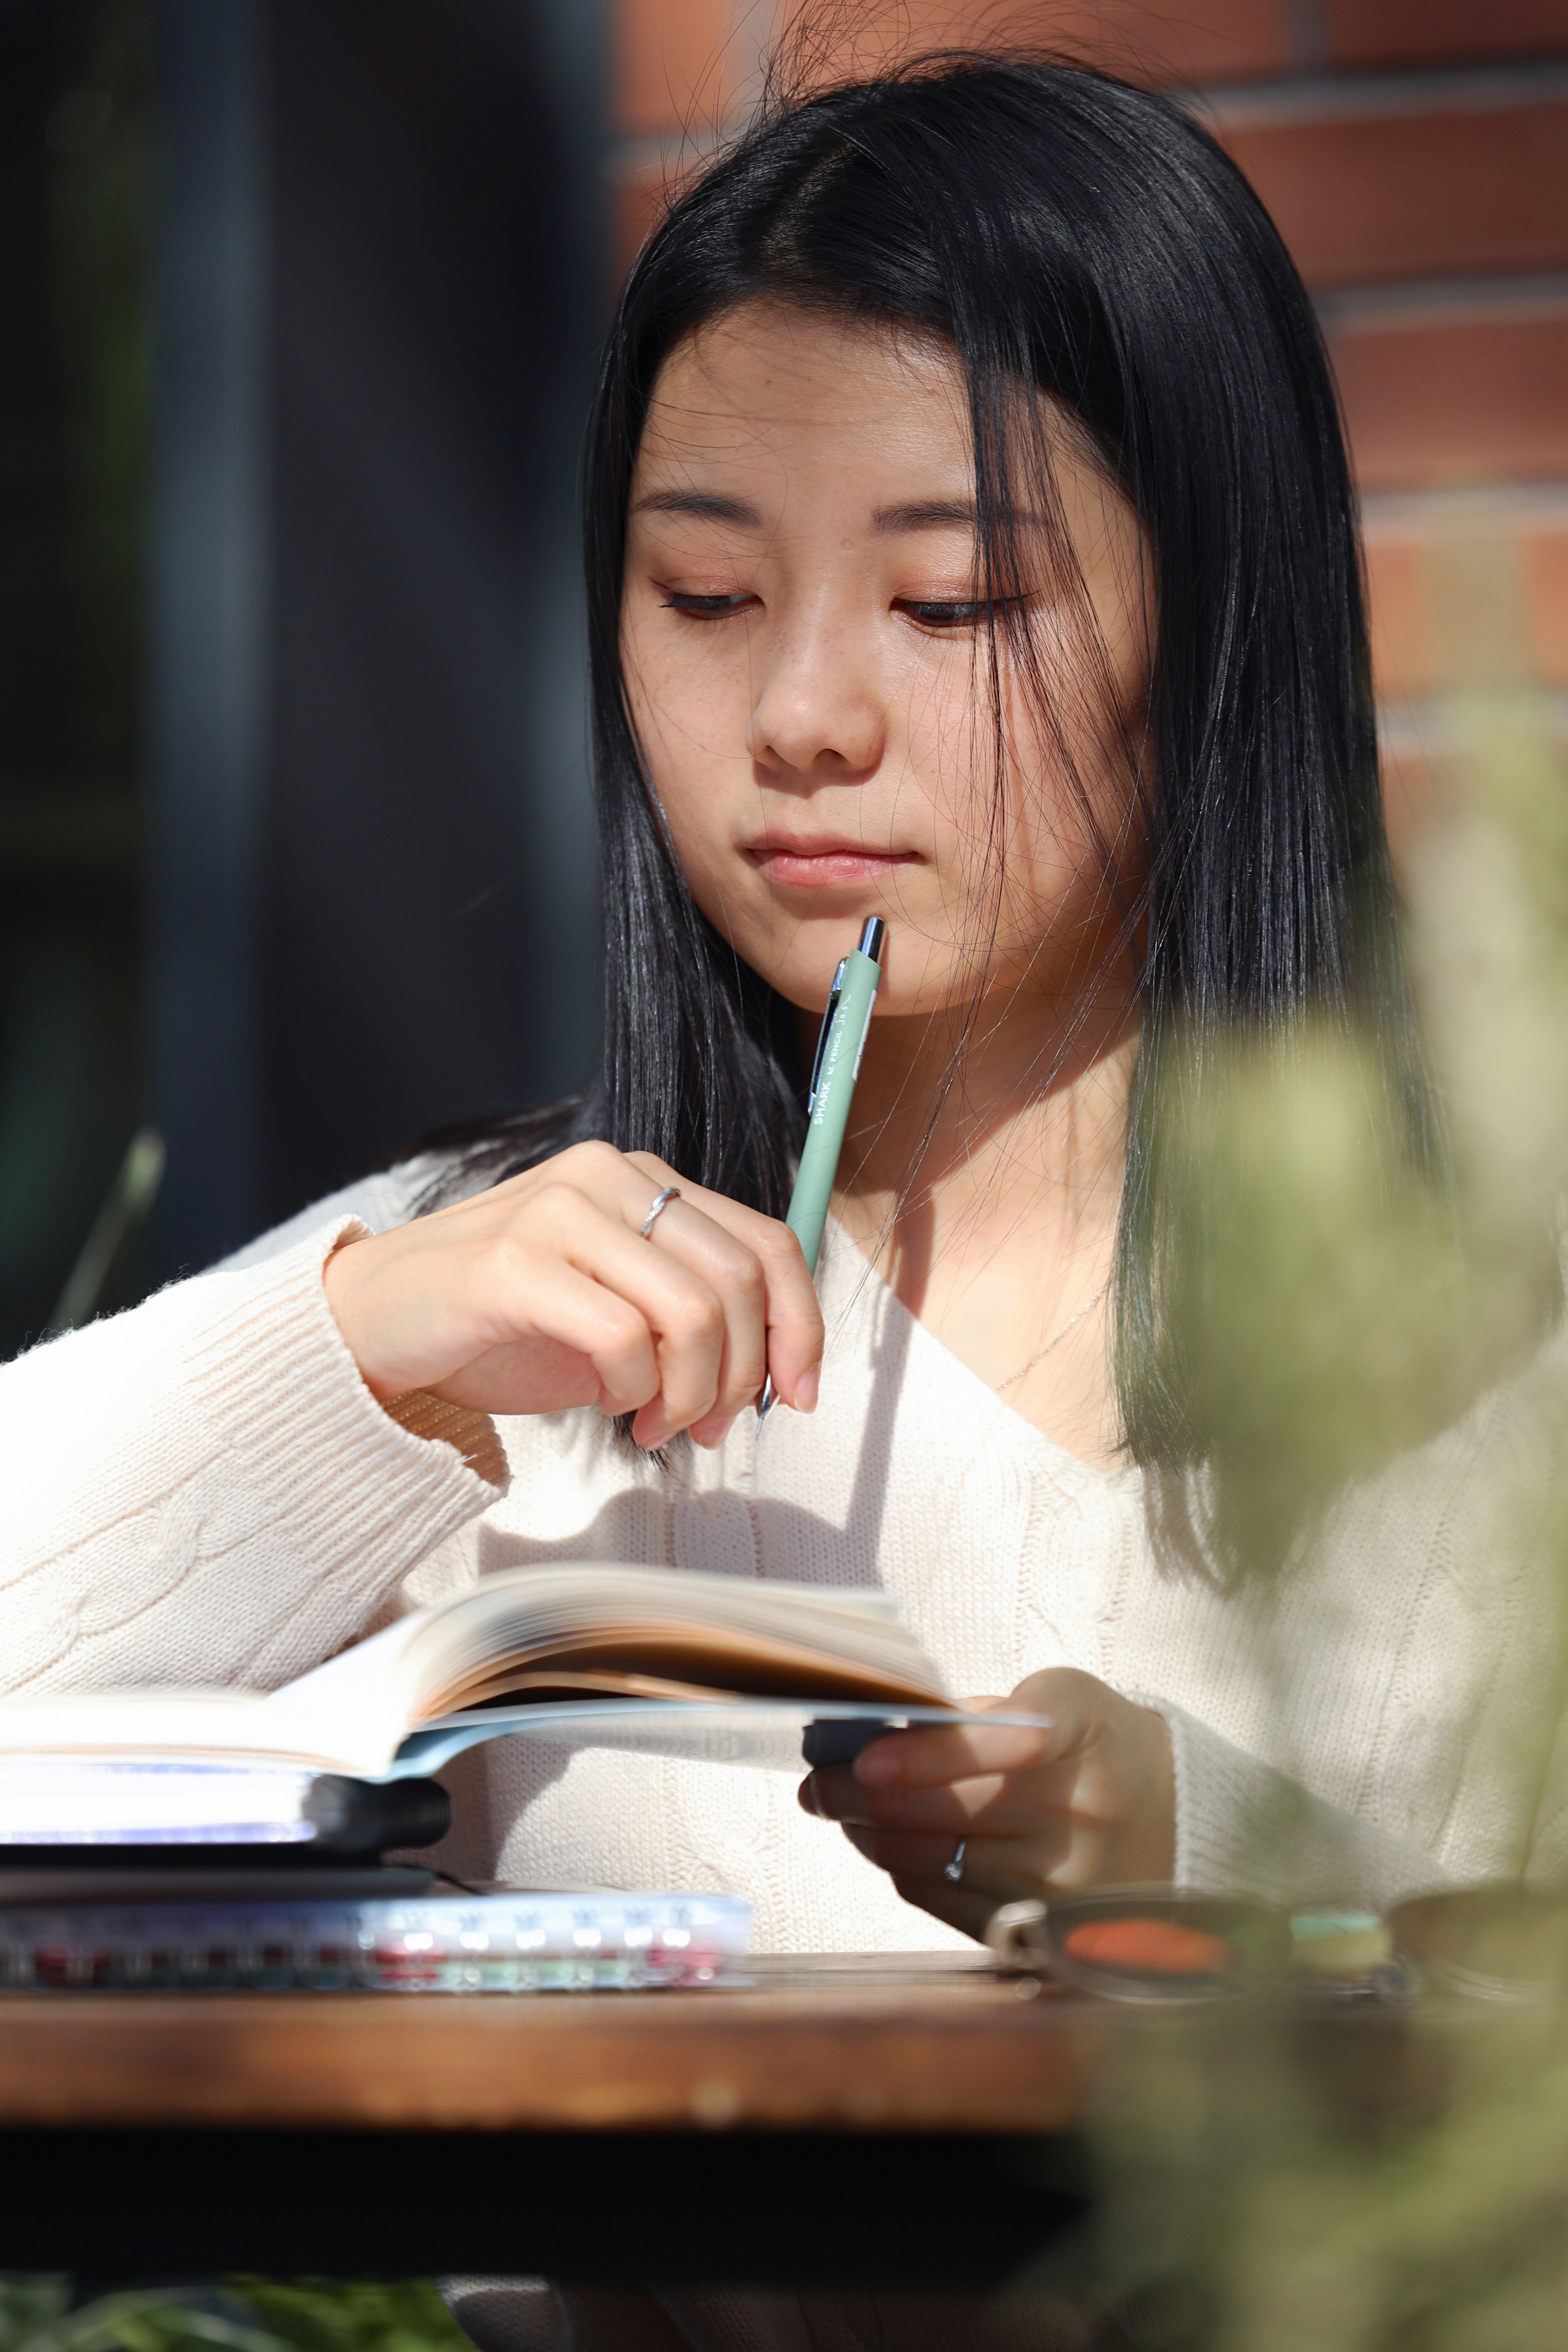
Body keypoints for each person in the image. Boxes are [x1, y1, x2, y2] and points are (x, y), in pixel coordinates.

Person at [4, 50, 1566, 1955]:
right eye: (704, 596)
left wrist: (1212, 1851)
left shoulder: (1502, 1324)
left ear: (1220, 626)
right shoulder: (515, 1308)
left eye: (954, 605)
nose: (802, 719)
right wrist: (360, 1349)